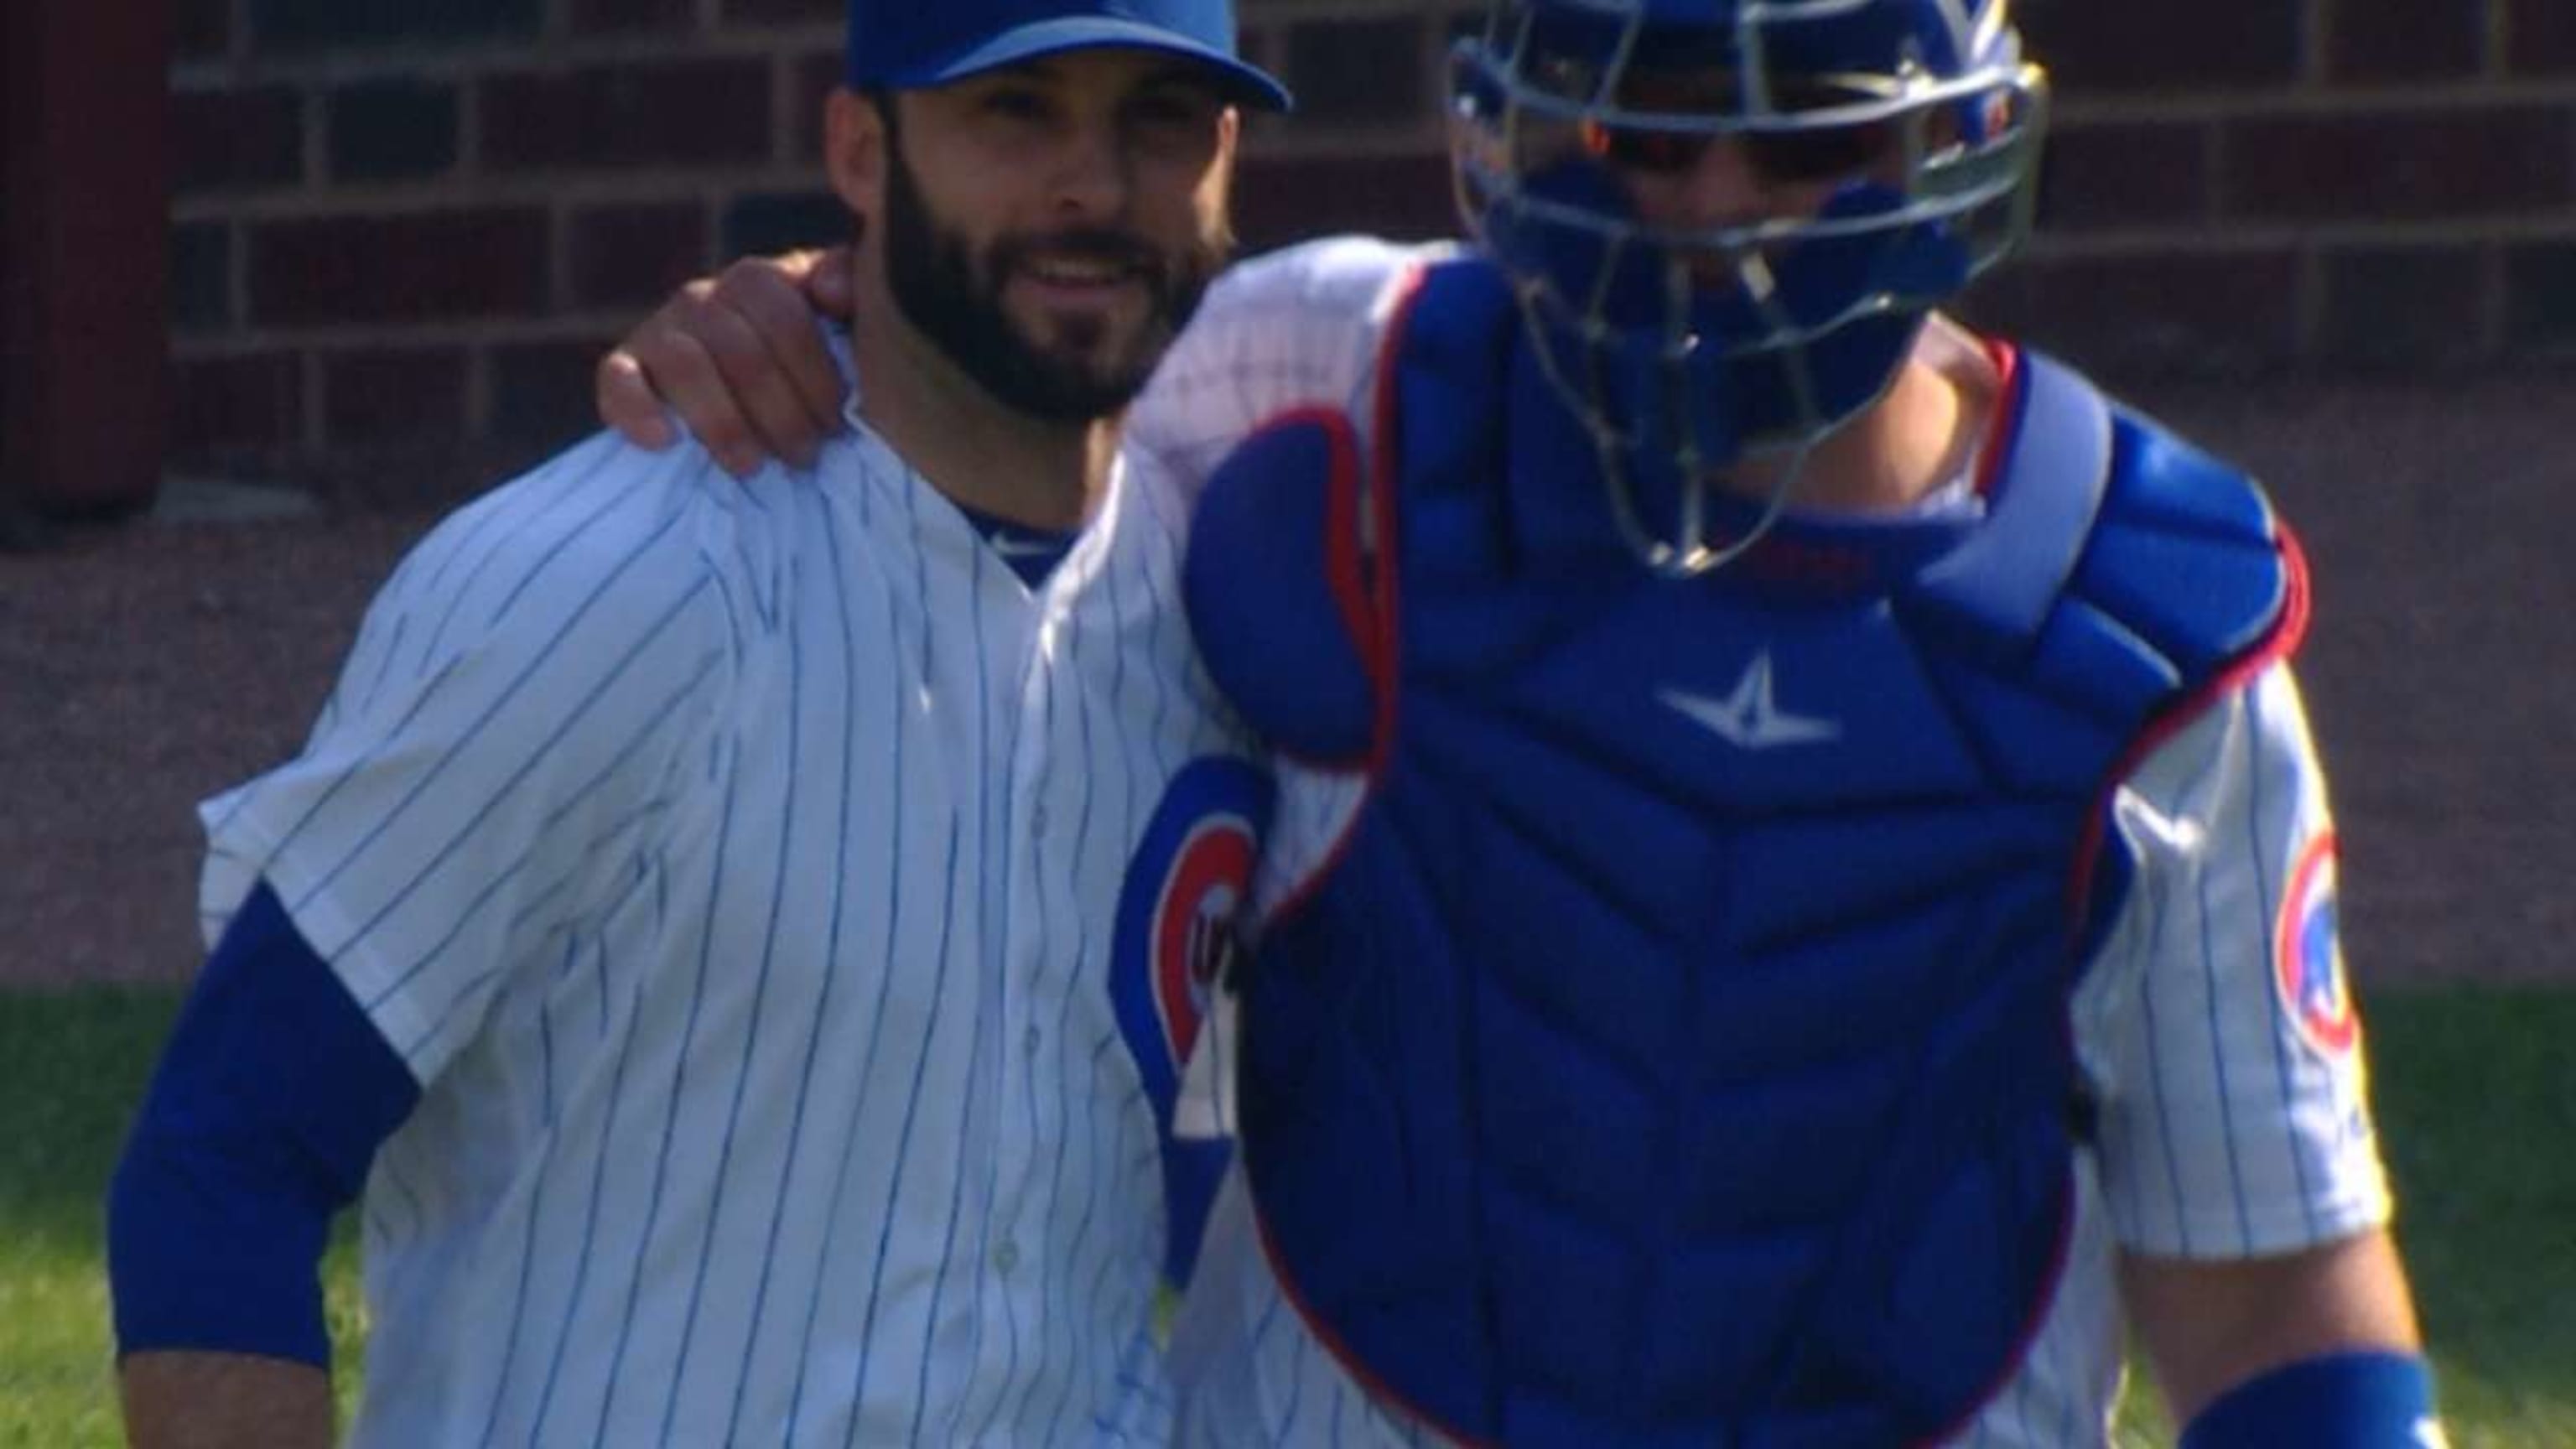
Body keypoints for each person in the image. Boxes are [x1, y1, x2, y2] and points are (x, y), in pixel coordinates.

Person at [599, 3, 2447, 1445]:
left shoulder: (2144, 632)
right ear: (1527, 119)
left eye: (1806, 128)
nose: (1714, 209)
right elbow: (976, 434)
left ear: (1953, 142)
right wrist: (786, 324)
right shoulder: (1317, 374)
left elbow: (2273, 1298)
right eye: (1644, 127)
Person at [103, 2, 1290, 1445]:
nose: (1092, 186)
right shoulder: (610, 588)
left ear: (1227, 152)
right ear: (861, 148)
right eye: (1015, 109)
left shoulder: (1230, 613)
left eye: (1157, 118)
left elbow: (1181, 1188)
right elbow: (225, 1155)